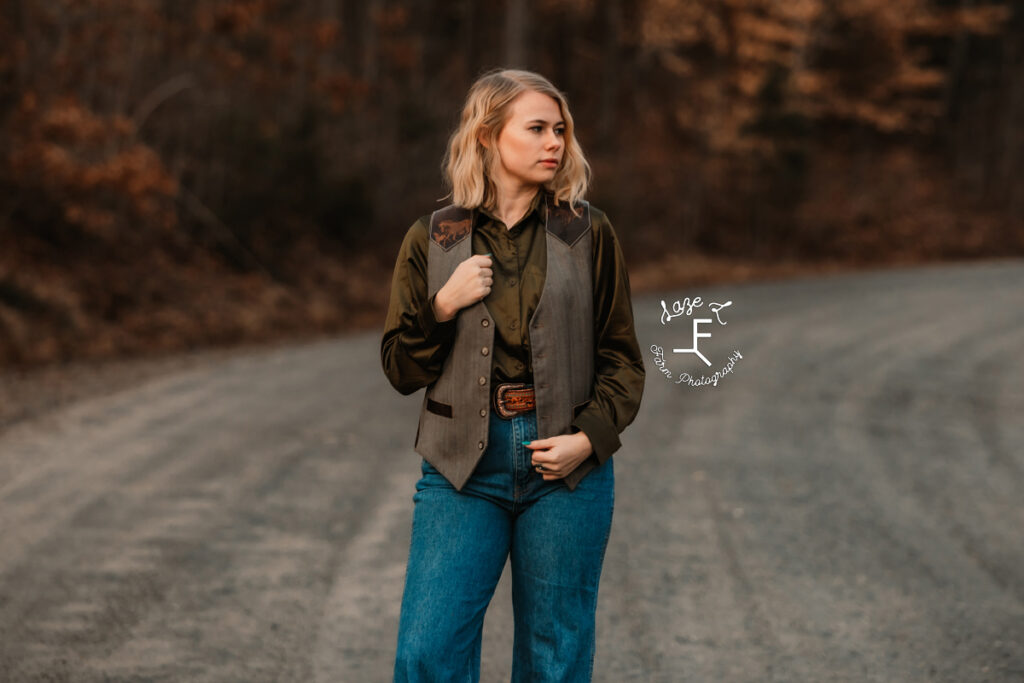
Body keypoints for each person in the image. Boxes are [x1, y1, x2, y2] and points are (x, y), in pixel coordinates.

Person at [381, 67, 645, 682]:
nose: (555, 141)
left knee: (554, 661)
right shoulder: (434, 238)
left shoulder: (589, 232)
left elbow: (622, 359)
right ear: (488, 135)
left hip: (567, 469)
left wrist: (589, 438)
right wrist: (441, 306)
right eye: (537, 128)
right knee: (427, 653)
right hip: (460, 470)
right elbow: (399, 367)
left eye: (560, 129)